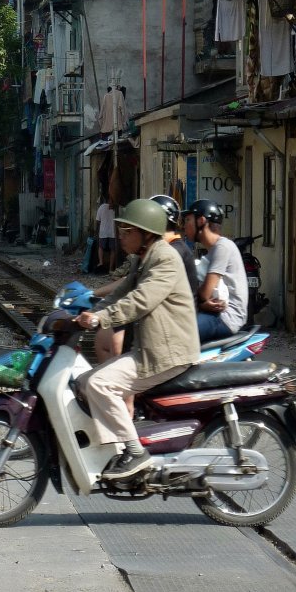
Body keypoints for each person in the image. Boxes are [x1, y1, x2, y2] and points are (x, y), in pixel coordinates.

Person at [75, 198, 200, 480]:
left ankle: (134, 452)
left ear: (146, 234)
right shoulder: (144, 259)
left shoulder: (165, 259)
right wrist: (89, 312)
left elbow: (141, 300)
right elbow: (120, 294)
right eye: (121, 230)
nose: (121, 236)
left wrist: (100, 319)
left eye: (127, 231)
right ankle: (114, 447)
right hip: (149, 348)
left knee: (99, 383)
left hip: (166, 352)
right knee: (82, 383)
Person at [183, 198, 248, 342]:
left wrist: (200, 301)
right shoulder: (212, 251)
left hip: (226, 317)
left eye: (187, 220)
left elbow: (205, 293)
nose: (184, 227)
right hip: (216, 314)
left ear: (201, 221)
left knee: (181, 336)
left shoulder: (222, 247)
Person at [95, 195, 116, 273]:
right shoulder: (114, 208)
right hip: (111, 232)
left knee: (102, 247)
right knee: (111, 249)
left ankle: (102, 263)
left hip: (105, 232)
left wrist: (97, 231)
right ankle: (109, 267)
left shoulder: (102, 207)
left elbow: (97, 221)